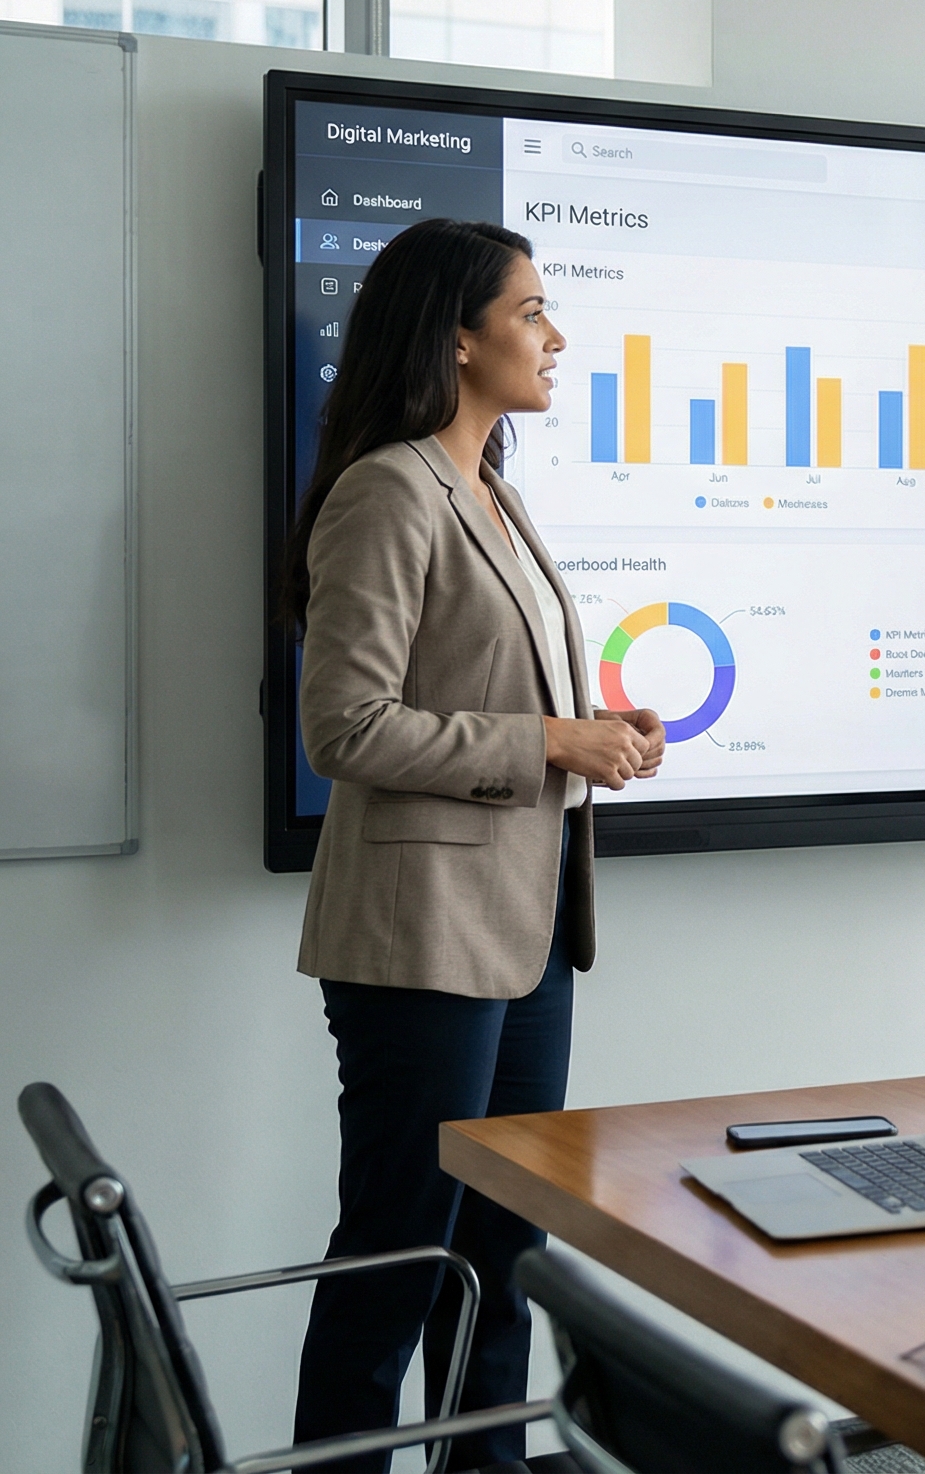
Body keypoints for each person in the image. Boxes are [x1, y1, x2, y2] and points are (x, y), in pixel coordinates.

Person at [283, 219, 665, 1471]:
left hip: (531, 929)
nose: (556, 336)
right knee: (399, 1257)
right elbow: (346, 725)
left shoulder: (494, 488)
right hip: (422, 943)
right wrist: (548, 743)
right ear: (457, 335)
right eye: (532, 311)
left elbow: (496, 693)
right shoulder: (390, 488)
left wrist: (596, 729)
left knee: (508, 1258)